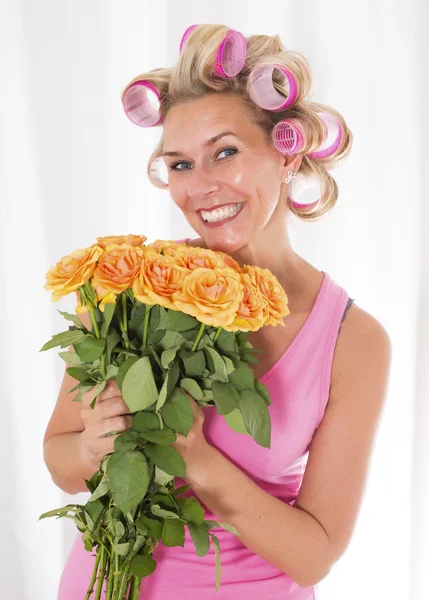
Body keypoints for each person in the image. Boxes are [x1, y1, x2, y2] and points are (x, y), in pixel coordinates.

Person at [43, 24, 392, 599]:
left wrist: (198, 461)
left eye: (224, 153)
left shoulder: (353, 339)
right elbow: (61, 460)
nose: (200, 187)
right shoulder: (132, 285)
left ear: (287, 152)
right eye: (180, 165)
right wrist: (90, 447)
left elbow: (315, 556)